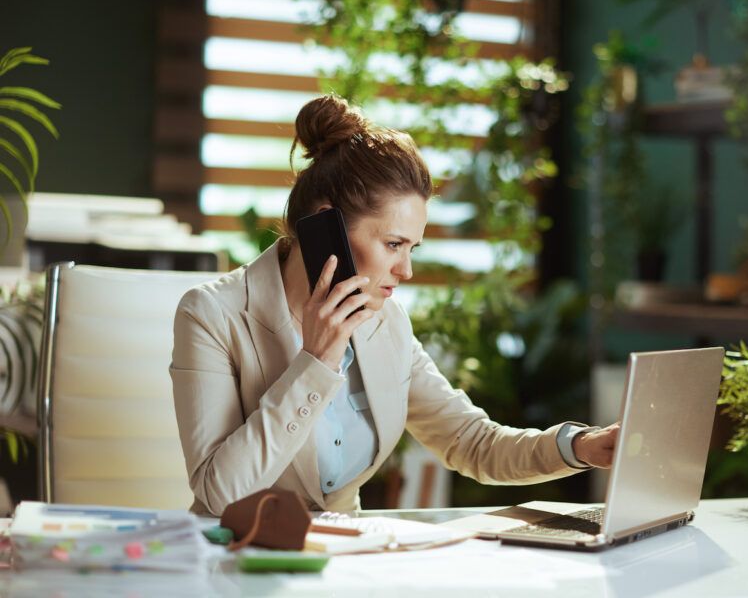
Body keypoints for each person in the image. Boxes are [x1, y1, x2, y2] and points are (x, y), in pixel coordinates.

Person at [171, 95, 620, 516]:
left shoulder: (384, 323)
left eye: (413, 248)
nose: (405, 271)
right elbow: (219, 493)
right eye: (393, 244)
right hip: (236, 563)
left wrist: (579, 446)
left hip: (344, 563)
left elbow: (471, 441)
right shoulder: (213, 315)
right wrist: (317, 361)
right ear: (323, 223)